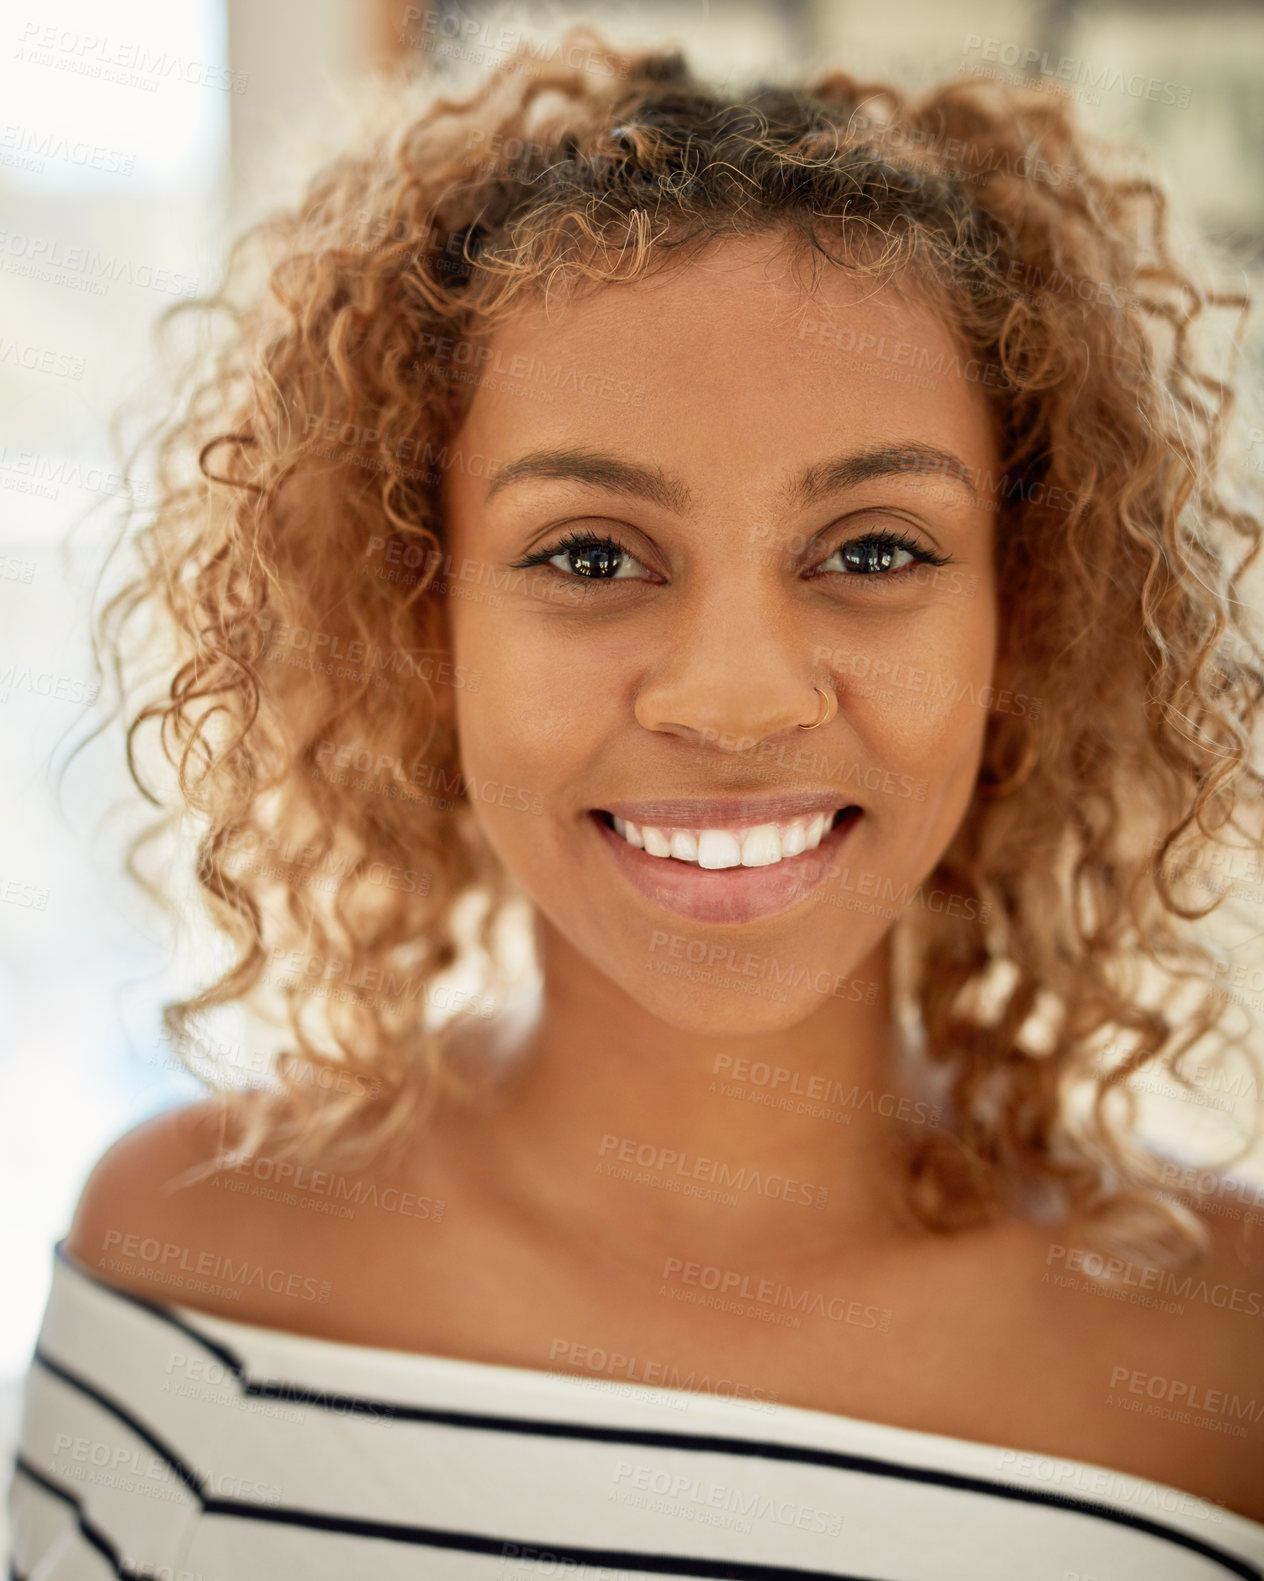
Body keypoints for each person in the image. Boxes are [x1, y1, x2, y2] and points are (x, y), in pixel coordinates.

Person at [9, 26, 1264, 1580]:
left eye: (874, 549)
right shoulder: (196, 1273)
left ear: (1034, 617)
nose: (735, 700)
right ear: (420, 618)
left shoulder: (1228, 1373)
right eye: (592, 554)